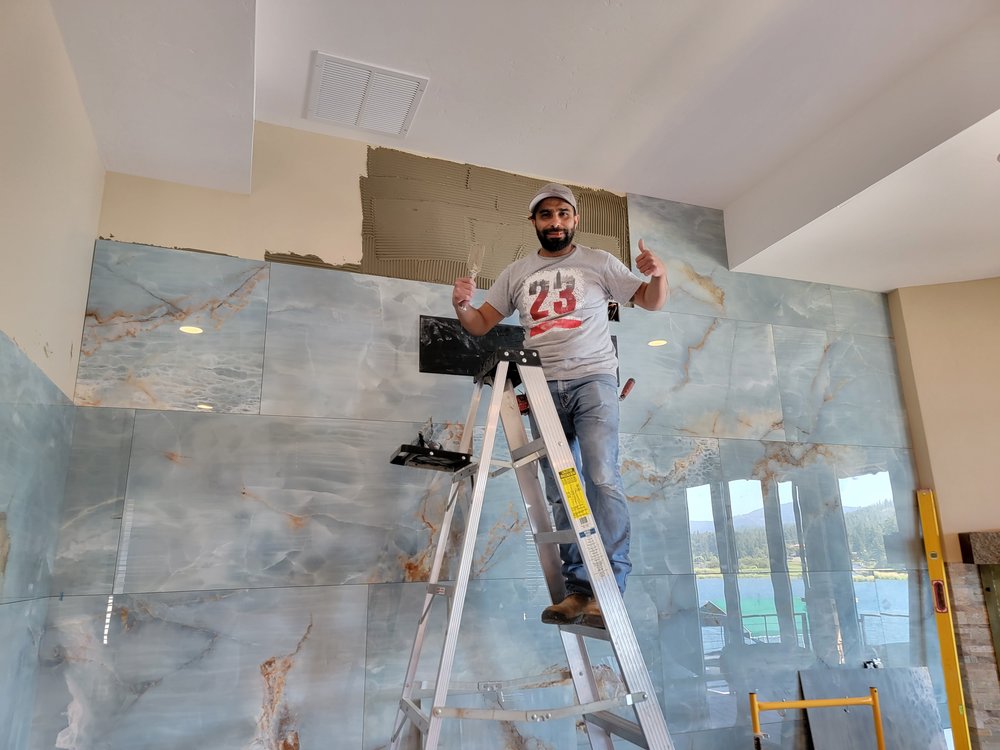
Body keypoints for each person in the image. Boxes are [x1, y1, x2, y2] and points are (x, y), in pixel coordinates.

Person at [451, 183, 668, 627]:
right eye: (546, 215)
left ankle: (609, 589)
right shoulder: (516, 272)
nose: (555, 222)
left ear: (575, 220)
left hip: (593, 378)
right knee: (561, 485)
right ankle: (578, 589)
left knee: (602, 476)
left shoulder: (599, 262)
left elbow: (650, 300)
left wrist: (658, 275)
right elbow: (479, 324)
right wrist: (461, 305)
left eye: (563, 214)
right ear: (534, 222)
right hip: (542, 384)